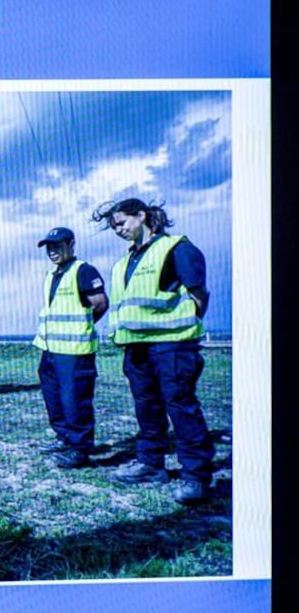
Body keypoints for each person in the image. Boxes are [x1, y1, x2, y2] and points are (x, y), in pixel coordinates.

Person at [92, 198, 216, 505]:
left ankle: (196, 477)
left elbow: (200, 295)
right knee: (146, 408)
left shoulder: (176, 248)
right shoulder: (123, 263)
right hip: (137, 349)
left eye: (121, 222)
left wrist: (183, 332)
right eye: (113, 227)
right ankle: (151, 464)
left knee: (181, 408)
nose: (117, 230)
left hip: (172, 347)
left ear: (142, 215)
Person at [32, 227, 109, 470]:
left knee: (75, 400)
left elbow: (100, 305)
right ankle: (63, 438)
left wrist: (80, 328)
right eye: (49, 247)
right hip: (50, 350)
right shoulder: (51, 275)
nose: (52, 251)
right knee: (54, 398)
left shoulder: (83, 271)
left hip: (74, 351)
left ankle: (80, 448)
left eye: (58, 246)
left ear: (71, 245)